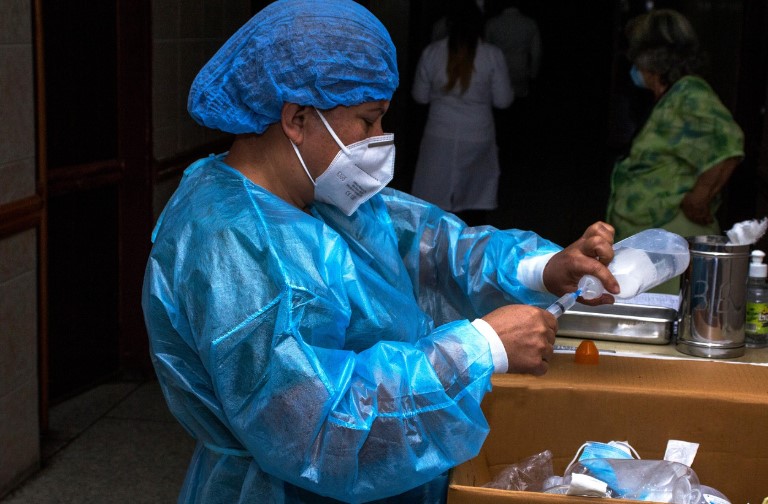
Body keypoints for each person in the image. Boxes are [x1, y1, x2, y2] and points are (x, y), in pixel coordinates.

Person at [142, 1, 619, 502]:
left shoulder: (316, 195)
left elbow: (434, 248)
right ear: (297, 118)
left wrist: (544, 267)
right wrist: (477, 349)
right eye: (367, 121)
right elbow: (315, 429)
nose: (379, 139)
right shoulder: (232, 243)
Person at [606, 9, 744, 244]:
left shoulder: (690, 92)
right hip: (649, 239)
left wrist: (699, 198)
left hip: (670, 238)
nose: (633, 64)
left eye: (636, 55)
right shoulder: (668, 99)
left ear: (650, 57)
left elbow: (729, 142)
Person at [410, 0, 513, 226]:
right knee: (474, 204)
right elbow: (504, 101)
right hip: (478, 137)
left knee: (434, 205)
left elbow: (420, 96)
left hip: (438, 135)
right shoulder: (492, 55)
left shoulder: (432, 53)